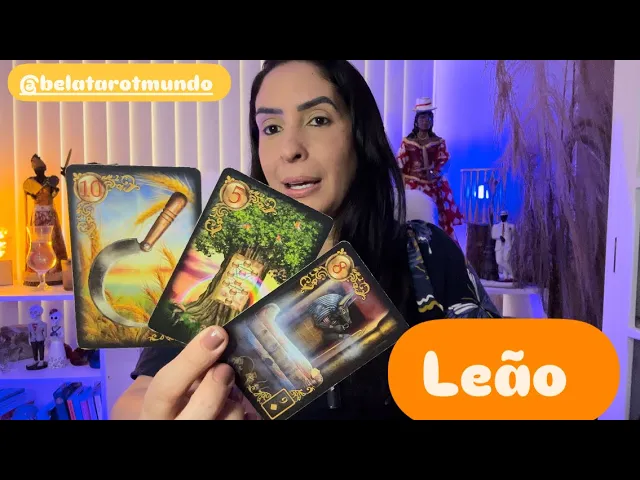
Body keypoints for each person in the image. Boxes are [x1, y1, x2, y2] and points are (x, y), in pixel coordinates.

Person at [111, 60, 500, 421]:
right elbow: (136, 396)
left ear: (360, 136)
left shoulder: (425, 254)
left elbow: (497, 388)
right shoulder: (215, 266)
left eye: (318, 119)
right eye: (271, 128)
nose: (289, 149)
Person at [396, 97, 465, 243]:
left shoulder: (438, 142)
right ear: (416, 120)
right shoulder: (407, 142)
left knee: (437, 217)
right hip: (413, 186)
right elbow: (400, 164)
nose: (425, 121)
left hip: (433, 186)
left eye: (428, 117)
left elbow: (444, 161)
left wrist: (434, 172)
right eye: (422, 117)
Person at [23, 154, 69, 286]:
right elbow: (31, 193)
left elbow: (53, 193)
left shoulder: (51, 180)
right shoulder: (30, 182)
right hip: (38, 214)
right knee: (38, 241)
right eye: (37, 169)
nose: (39, 171)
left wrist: (65, 176)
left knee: (53, 240)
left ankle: (55, 270)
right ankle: (38, 271)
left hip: (49, 213)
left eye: (41, 169)